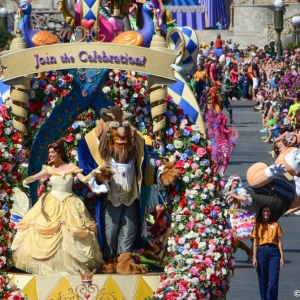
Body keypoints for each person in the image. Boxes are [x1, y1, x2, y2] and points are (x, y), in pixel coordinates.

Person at [11, 139, 104, 274]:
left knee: (70, 231)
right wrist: (26, 180)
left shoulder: (71, 166)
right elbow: (35, 177)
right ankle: (48, 265)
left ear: (59, 153)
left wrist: (94, 172)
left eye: (52, 153)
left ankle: (71, 264)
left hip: (69, 203)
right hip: (52, 201)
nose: (50, 155)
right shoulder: (49, 168)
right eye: (49, 153)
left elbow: (84, 180)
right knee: (40, 228)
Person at [251, 204, 284, 300]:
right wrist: (254, 257)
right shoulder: (257, 225)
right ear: (261, 213)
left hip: (274, 252)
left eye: (267, 211)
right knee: (263, 278)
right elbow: (255, 243)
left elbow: (279, 241)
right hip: (261, 251)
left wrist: (282, 257)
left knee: (273, 279)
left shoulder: (275, 224)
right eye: (264, 211)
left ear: (270, 213)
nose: (266, 213)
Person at [224, 175, 255, 262]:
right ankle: (249, 251)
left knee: (233, 237)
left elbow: (244, 198)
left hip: (235, 216)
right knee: (229, 237)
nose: (236, 182)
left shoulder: (240, 190)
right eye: (234, 180)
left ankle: (231, 255)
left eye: (237, 181)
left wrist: (234, 196)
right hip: (226, 216)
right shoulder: (226, 191)